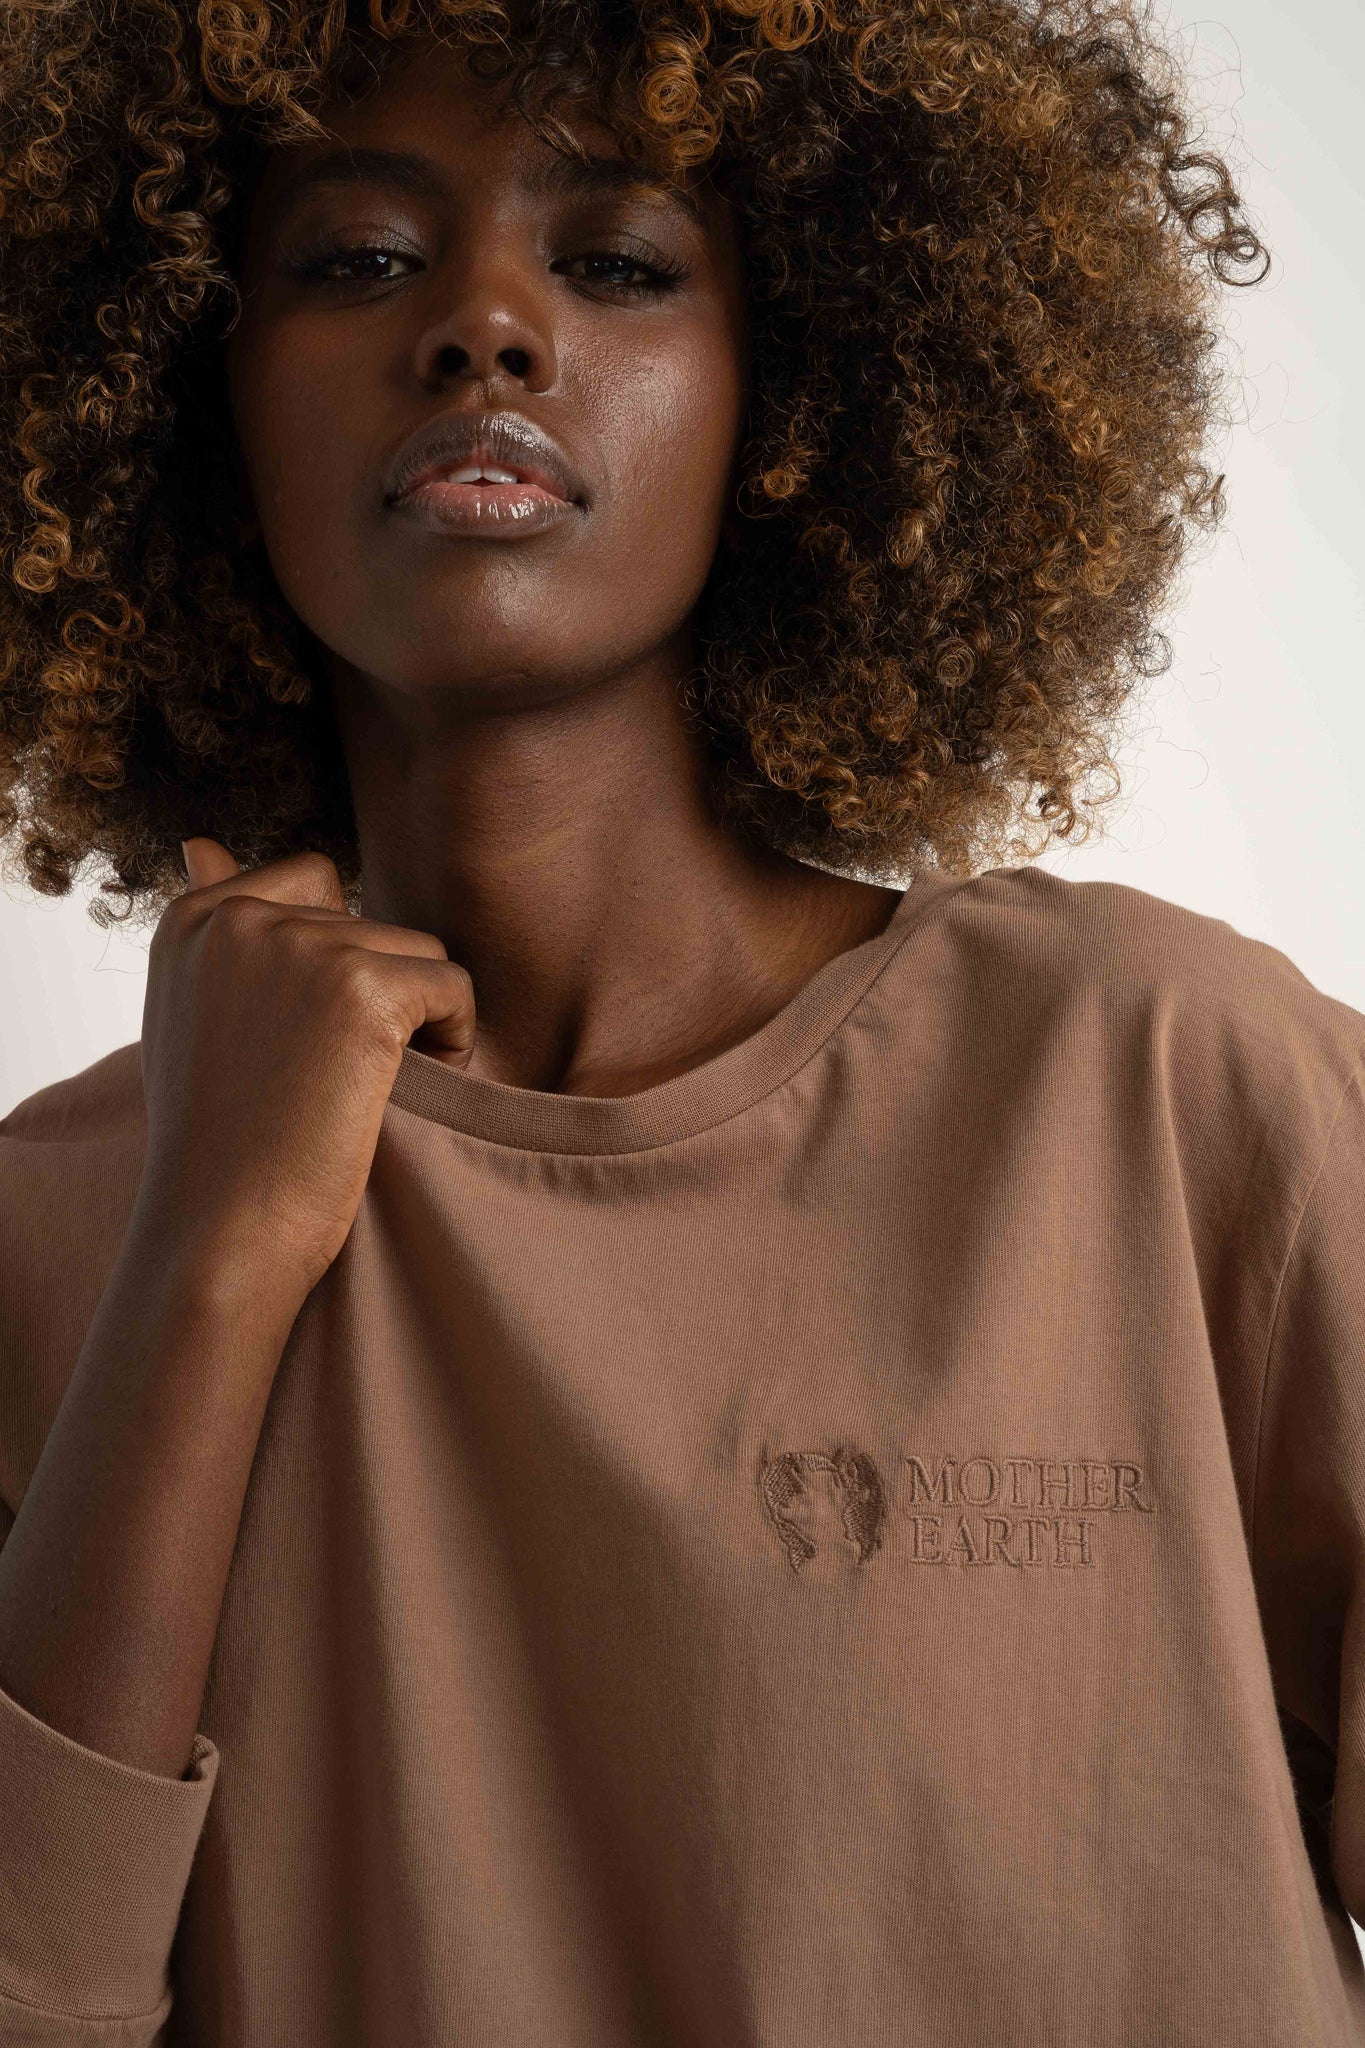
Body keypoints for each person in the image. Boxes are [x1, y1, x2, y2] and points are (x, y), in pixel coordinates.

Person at [0, 0, 1360, 2042]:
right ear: (191, 388)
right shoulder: (57, 1240)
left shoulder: (1159, 1083)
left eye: (617, 264)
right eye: (358, 256)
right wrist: (203, 1260)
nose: (483, 328)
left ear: (792, 387)